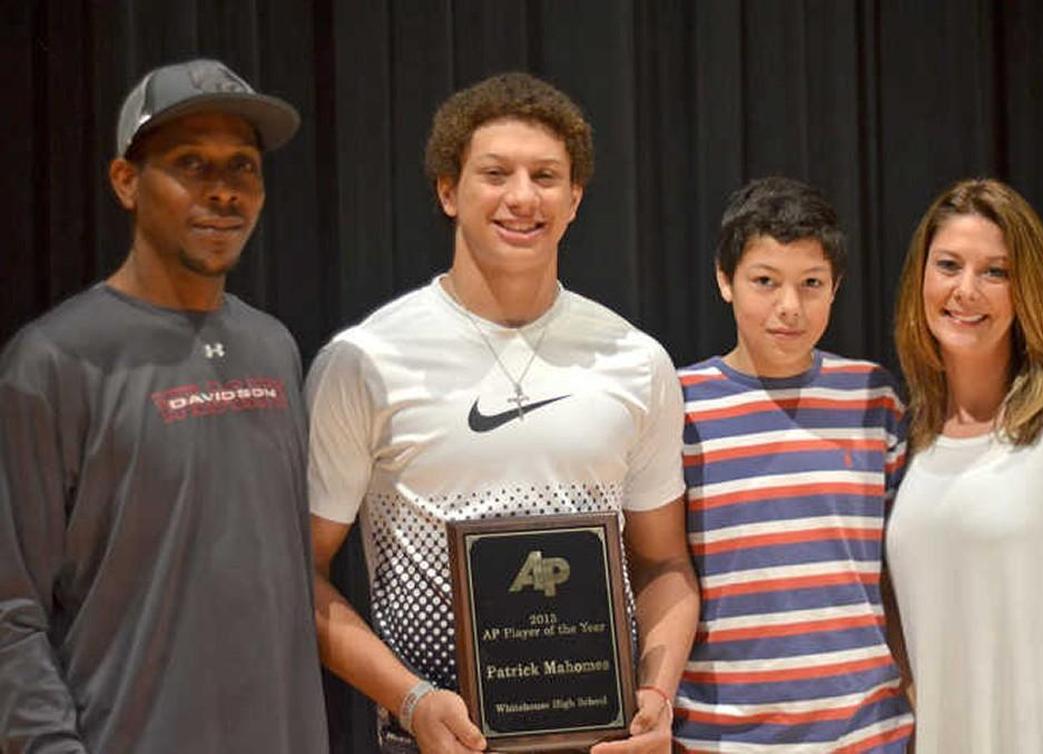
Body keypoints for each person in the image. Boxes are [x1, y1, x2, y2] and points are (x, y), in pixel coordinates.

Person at [305, 72, 699, 754]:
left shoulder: (636, 361)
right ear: (448, 190)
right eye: (495, 173)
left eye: (546, 175)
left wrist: (657, 699)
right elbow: (297, 578)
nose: (522, 197)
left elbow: (665, 566)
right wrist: (411, 698)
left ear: (575, 198)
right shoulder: (365, 362)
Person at [0, 60, 328, 754]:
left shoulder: (273, 347)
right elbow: (10, 607)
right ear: (126, 182)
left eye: (243, 167)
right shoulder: (53, 360)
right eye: (190, 165)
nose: (223, 192)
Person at [886, 178, 1043, 753]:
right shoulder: (912, 442)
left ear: (1027, 288)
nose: (966, 290)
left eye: (995, 272)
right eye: (948, 265)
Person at [672, 177, 915, 752]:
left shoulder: (873, 398)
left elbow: (901, 574)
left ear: (837, 287)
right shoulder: (680, 404)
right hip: (718, 737)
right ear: (724, 279)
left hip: (868, 733)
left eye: (811, 284)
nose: (789, 307)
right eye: (765, 282)